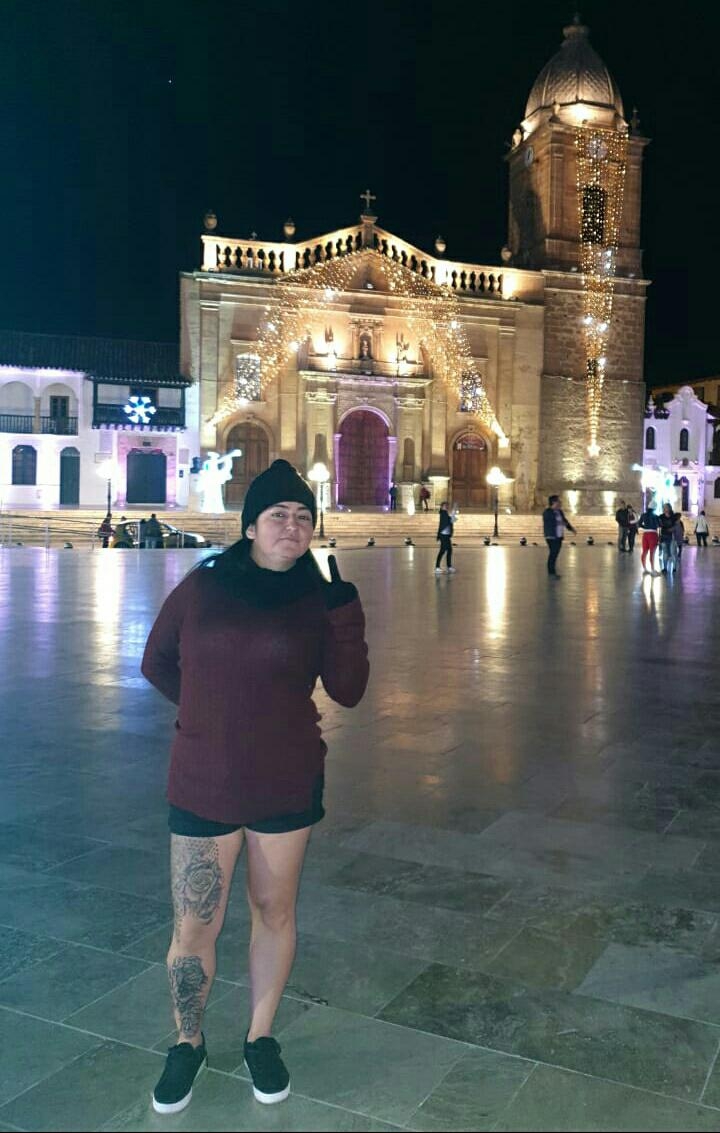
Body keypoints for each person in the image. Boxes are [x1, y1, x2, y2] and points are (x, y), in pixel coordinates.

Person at [141, 460, 369, 1115]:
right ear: (249, 526)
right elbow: (156, 660)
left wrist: (345, 614)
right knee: (195, 923)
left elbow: (349, 689)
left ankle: (260, 1035)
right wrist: (207, 718)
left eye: (303, 517)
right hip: (205, 779)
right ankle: (187, 1041)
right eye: (278, 515)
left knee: (275, 911)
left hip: (284, 779)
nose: (292, 526)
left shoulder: (318, 598)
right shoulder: (204, 584)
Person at [542, 494, 576, 578]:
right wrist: (560, 522)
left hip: (559, 536)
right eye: (558, 501)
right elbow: (550, 522)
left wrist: (571, 528)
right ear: (554, 502)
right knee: (553, 554)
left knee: (555, 554)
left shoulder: (559, 512)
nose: (560, 502)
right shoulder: (547, 512)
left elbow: (565, 521)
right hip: (551, 536)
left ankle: (552, 572)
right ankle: (551, 573)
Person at [638, 499, 660, 573]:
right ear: (655, 508)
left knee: (644, 551)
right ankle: (653, 570)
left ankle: (645, 569)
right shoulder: (655, 516)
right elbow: (659, 525)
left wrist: (646, 527)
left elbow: (639, 524)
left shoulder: (643, 515)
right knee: (652, 553)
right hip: (653, 534)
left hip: (645, 534)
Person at [435, 501, 455, 573]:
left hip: (446, 535)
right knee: (442, 551)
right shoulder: (442, 513)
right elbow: (448, 521)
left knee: (449, 550)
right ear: (441, 507)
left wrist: (452, 516)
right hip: (443, 535)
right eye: (444, 506)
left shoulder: (445, 513)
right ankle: (437, 567)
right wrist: (452, 516)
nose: (446, 507)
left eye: (447, 506)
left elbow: (450, 522)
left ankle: (449, 566)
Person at [658, 503, 677, 573]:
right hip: (663, 536)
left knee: (672, 553)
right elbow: (659, 526)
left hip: (671, 537)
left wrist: (671, 529)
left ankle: (674, 567)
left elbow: (675, 527)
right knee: (665, 553)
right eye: (664, 507)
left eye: (666, 507)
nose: (665, 509)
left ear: (669, 508)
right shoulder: (661, 516)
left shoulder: (673, 517)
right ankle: (665, 568)